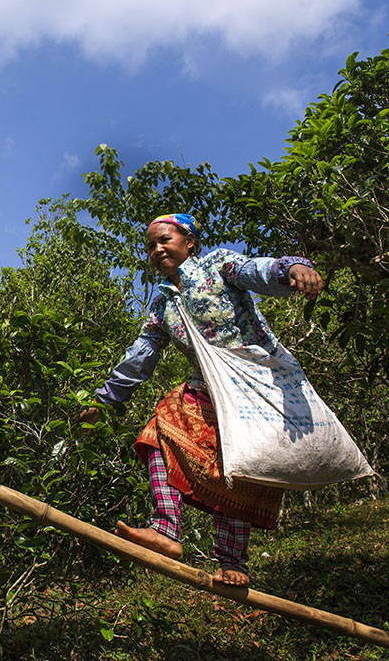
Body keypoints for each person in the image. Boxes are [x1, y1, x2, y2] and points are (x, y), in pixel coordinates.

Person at [80, 213, 323, 588]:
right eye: (151, 246)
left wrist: (292, 268)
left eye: (165, 240)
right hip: (207, 387)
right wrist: (107, 399)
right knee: (163, 423)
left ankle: (233, 563)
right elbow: (141, 354)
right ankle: (165, 529)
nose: (157, 249)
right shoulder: (163, 303)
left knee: (241, 469)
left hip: (256, 385)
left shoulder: (218, 266)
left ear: (190, 242)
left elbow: (256, 270)